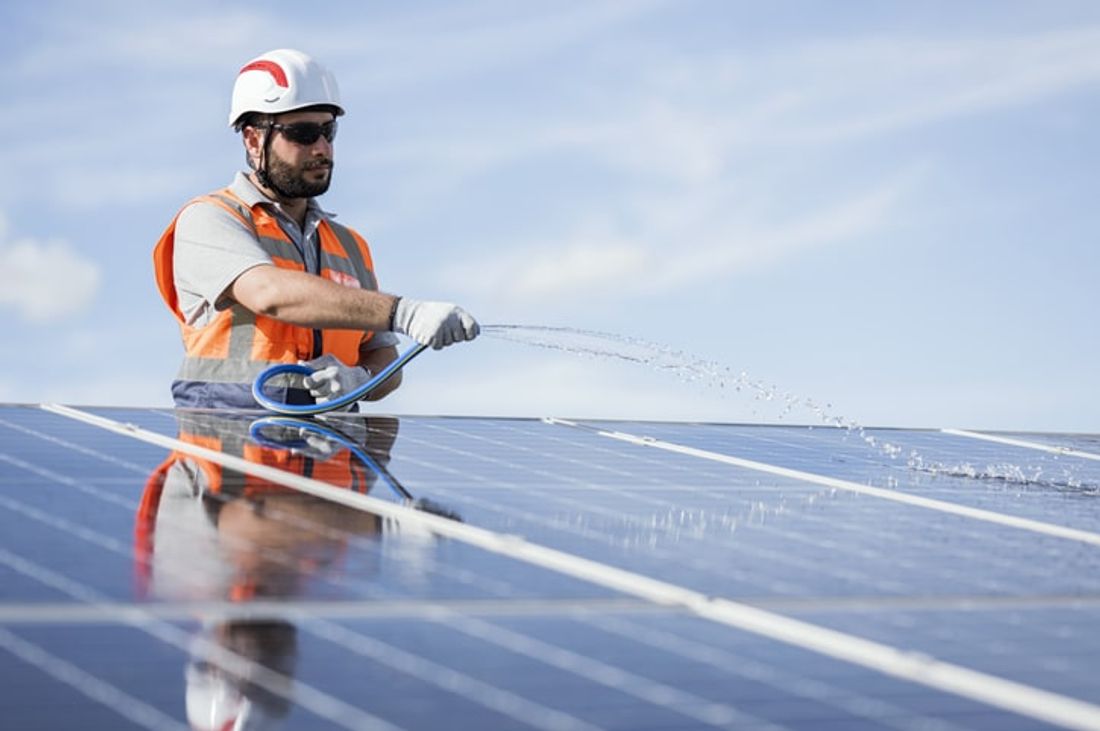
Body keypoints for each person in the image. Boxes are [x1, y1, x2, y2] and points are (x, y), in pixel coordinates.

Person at [154, 48, 479, 409]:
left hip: (327, 450)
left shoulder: (350, 245)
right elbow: (269, 293)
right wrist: (403, 312)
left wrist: (362, 379)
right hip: (227, 448)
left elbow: (382, 357)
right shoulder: (211, 219)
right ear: (252, 139)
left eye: (329, 131)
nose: (322, 148)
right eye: (303, 133)